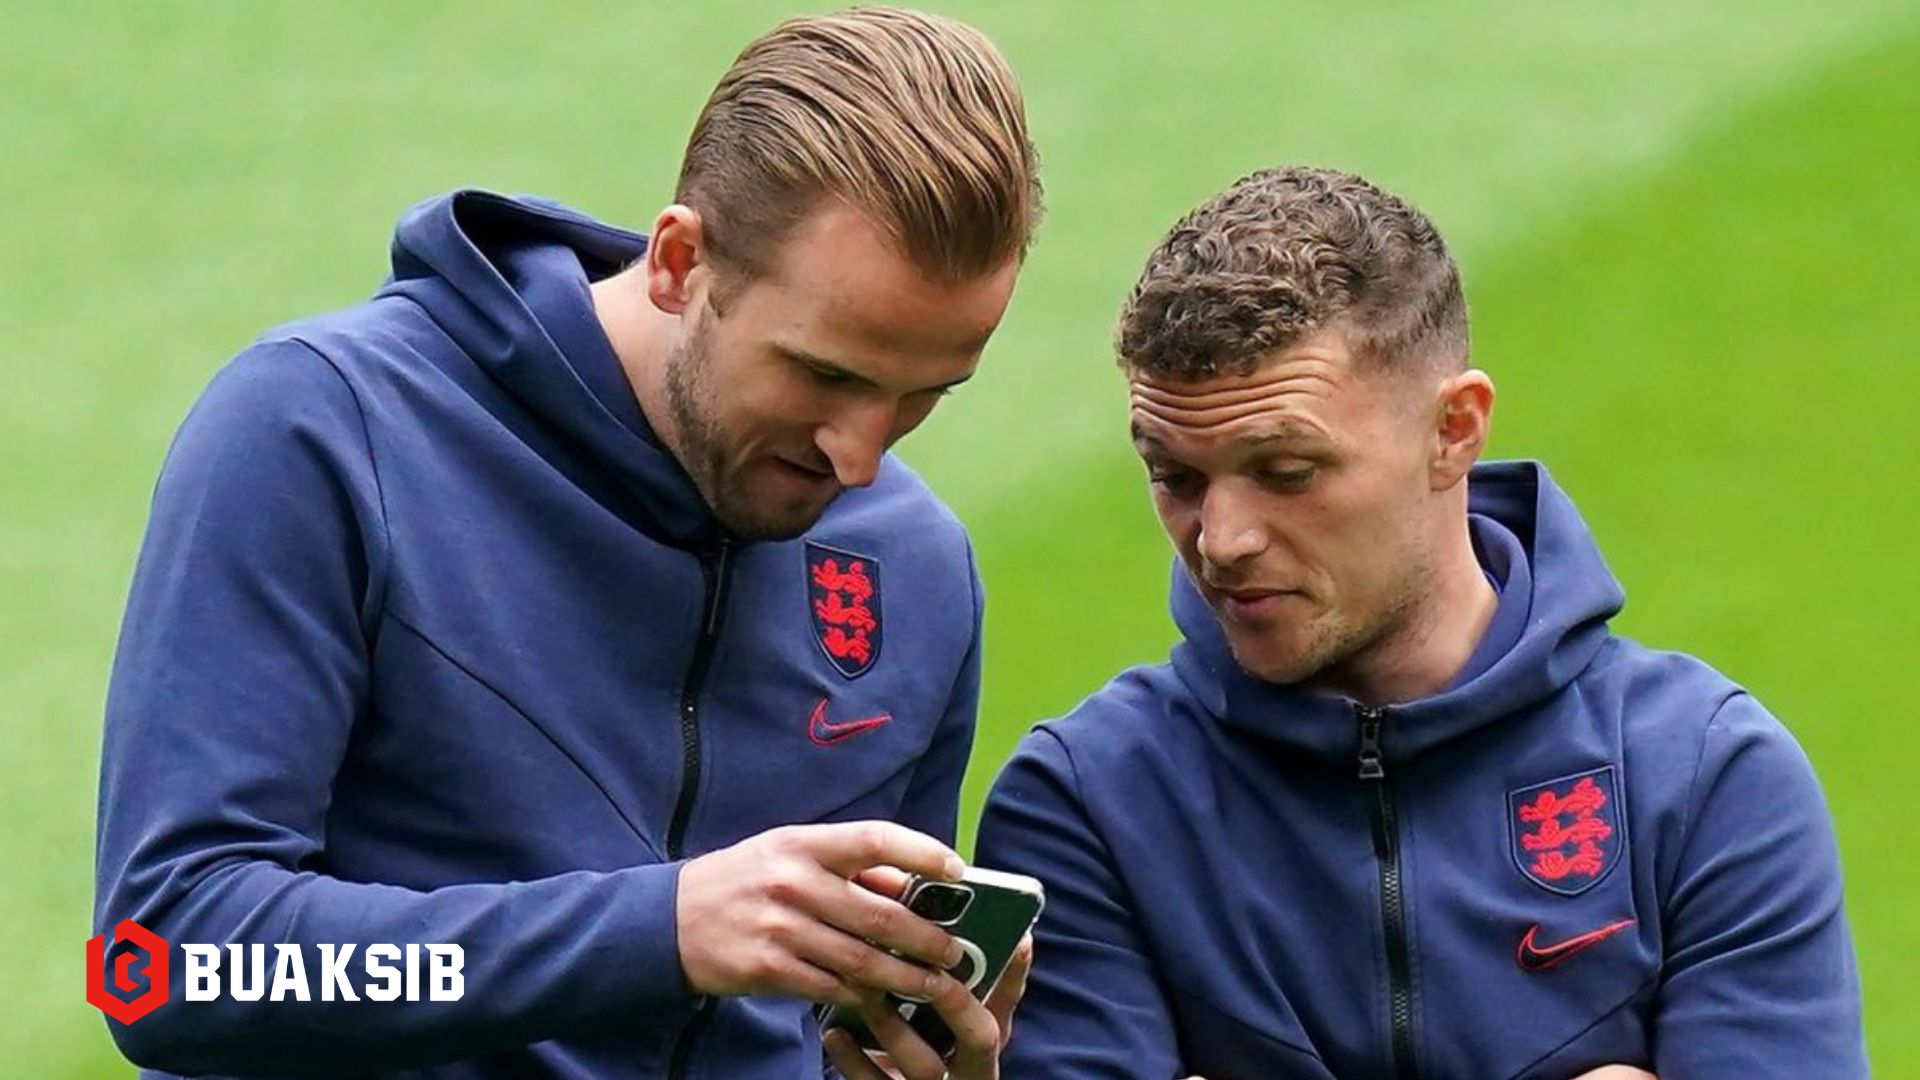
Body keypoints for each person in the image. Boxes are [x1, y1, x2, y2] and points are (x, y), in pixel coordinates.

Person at [94, 9, 1041, 1079]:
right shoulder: (326, 431)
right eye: (824, 374)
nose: (860, 457)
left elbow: (836, 1032)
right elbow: (161, 966)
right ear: (680, 263)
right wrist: (660, 931)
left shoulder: (912, 563)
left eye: (927, 394)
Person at [976, 166, 1866, 1079]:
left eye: (1287, 472)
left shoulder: (1705, 776)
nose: (1222, 539)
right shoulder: (1085, 802)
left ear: (1454, 431)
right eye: (1176, 477)